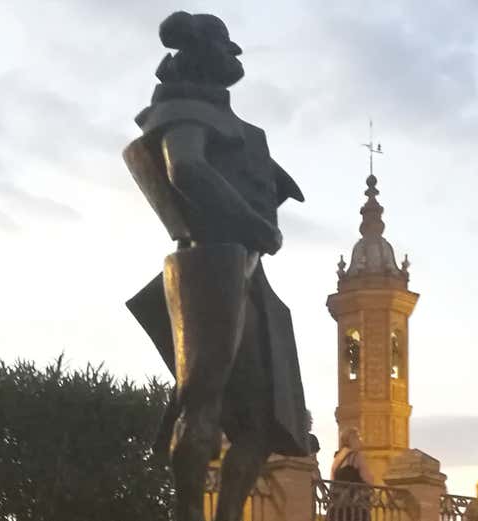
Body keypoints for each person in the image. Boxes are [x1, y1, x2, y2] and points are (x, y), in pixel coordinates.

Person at [123, 11, 309, 521]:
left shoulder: (233, 123)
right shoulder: (183, 109)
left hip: (251, 274)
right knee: (201, 402)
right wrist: (258, 225)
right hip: (210, 261)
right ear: (205, 53)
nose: (235, 56)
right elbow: (185, 169)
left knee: (260, 424)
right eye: (228, 48)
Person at [327, 428, 373, 521]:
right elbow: (368, 479)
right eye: (358, 437)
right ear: (352, 439)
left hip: (338, 506)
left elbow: (332, 480)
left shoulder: (337, 458)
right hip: (355, 506)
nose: (360, 441)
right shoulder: (355, 456)